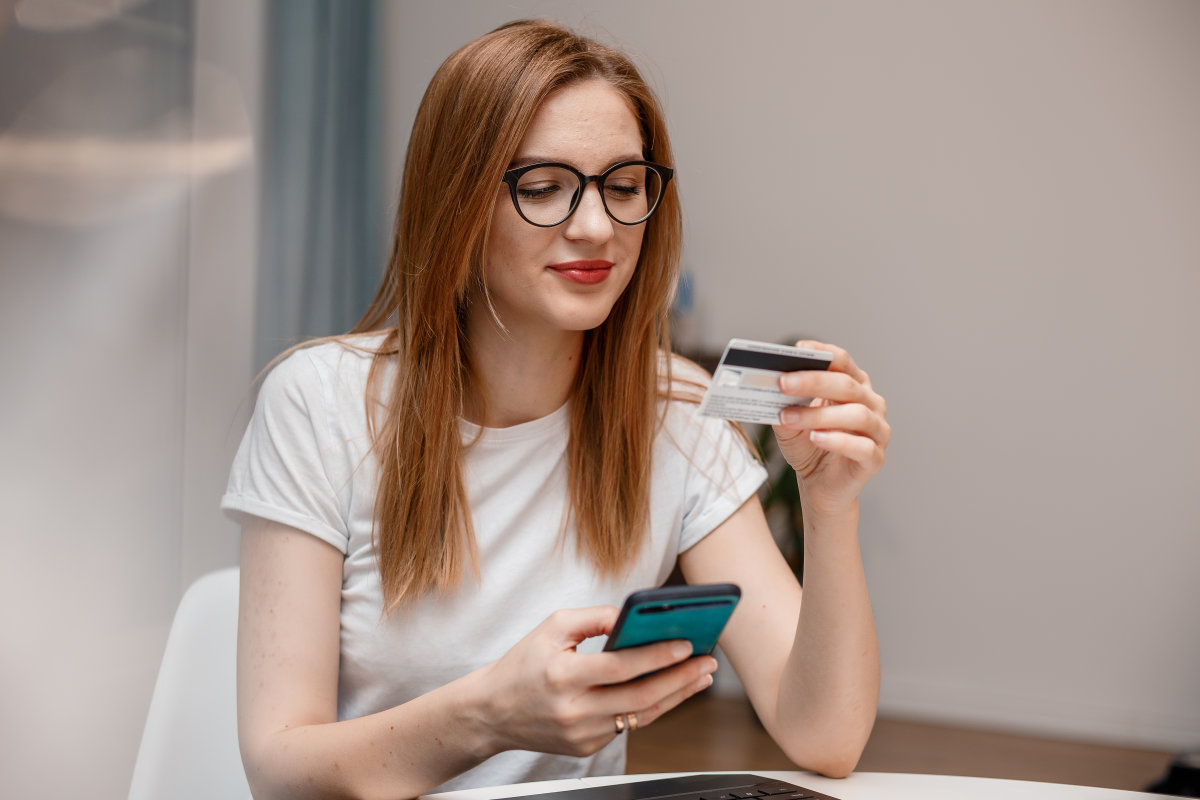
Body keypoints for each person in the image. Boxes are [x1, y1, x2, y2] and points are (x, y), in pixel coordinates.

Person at [223, 19, 889, 800]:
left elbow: (827, 737)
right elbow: (280, 768)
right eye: (543, 188)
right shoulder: (318, 402)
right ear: (456, 204)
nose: (597, 227)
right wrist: (489, 715)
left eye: (624, 185)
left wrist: (831, 507)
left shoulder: (672, 410)